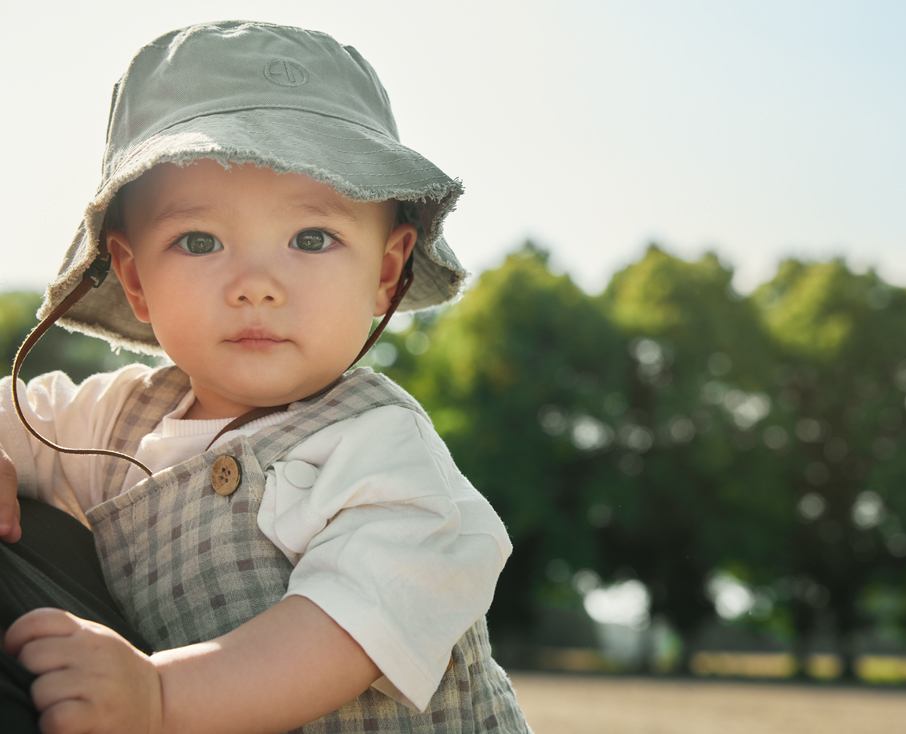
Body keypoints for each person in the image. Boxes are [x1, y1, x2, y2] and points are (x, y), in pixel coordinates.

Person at [0, 20, 530, 734]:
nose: (256, 285)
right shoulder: (111, 421)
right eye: (199, 241)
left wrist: (161, 698)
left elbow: (341, 634)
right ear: (133, 276)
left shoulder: (385, 455)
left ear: (385, 272)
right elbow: (15, 418)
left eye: (312, 239)